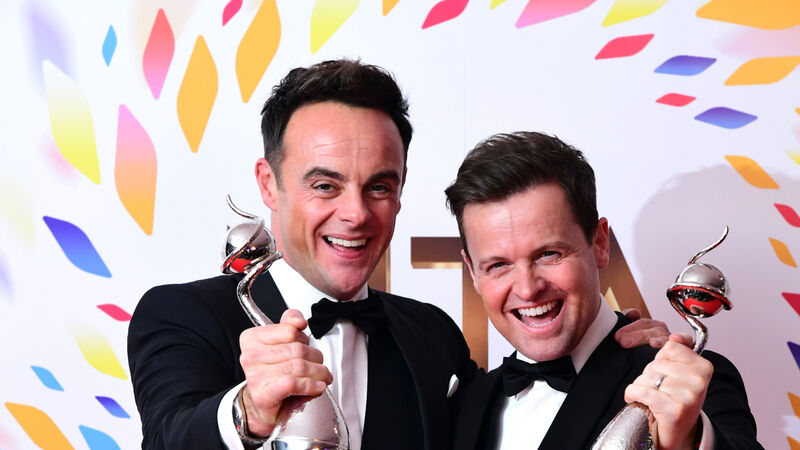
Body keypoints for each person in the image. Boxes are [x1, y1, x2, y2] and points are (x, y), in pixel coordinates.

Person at [127, 61, 670, 450]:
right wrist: (248, 410)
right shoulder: (184, 316)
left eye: (379, 187)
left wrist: (625, 353)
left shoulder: (431, 336)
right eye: (325, 185)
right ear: (269, 183)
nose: (355, 214)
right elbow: (172, 434)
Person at [445, 131, 762, 450]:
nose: (528, 289)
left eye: (549, 254)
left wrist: (689, 438)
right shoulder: (464, 405)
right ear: (472, 272)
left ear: (599, 243)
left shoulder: (685, 383)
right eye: (498, 265)